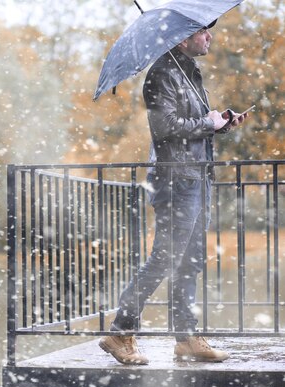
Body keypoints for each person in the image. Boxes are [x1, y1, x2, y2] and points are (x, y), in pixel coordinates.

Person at [99, 22, 249, 365]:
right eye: (203, 33)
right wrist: (207, 124)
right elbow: (164, 128)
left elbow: (192, 126)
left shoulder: (187, 71)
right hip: (175, 181)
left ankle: (186, 338)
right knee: (165, 258)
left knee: (190, 260)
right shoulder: (163, 73)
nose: (209, 37)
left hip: (196, 178)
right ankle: (120, 332)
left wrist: (219, 124)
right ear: (184, 38)